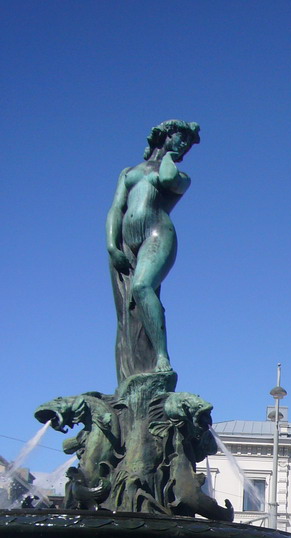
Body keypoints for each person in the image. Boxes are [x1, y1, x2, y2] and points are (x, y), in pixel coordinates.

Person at [106, 119, 201, 382]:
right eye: (179, 138)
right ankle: (133, 368)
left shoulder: (182, 176)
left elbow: (168, 178)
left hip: (158, 233)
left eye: (187, 143)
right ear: (164, 135)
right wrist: (112, 245)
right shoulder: (128, 172)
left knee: (142, 287)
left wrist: (171, 156)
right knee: (128, 310)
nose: (183, 145)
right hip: (127, 241)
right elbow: (116, 209)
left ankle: (162, 356)